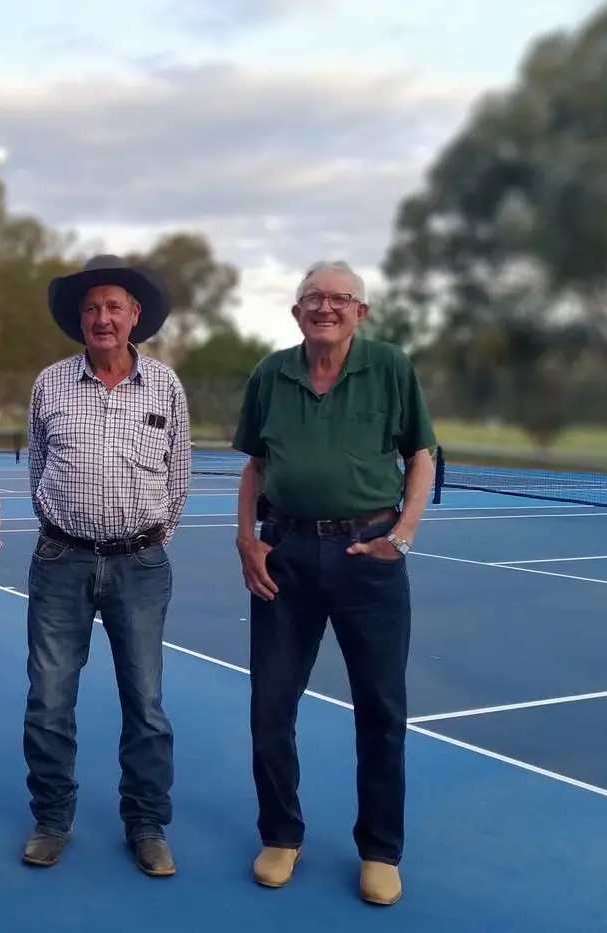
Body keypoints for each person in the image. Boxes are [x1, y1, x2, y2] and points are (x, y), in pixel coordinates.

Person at [231, 260, 437, 906]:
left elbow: (421, 455)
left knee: (381, 709)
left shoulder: (391, 367)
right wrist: (247, 539)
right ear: (296, 312)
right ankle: (281, 835)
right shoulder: (271, 373)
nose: (326, 307)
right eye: (313, 298)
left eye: (340, 298)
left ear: (361, 312)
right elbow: (256, 465)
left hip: (368, 557)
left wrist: (402, 534)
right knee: (270, 705)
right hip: (286, 555)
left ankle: (380, 850)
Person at [20, 254, 192, 877]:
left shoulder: (166, 387)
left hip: (140, 566)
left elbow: (178, 477)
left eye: (114, 307)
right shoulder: (50, 384)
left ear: (135, 316)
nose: (102, 318)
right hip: (61, 561)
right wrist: (67, 532)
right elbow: (39, 471)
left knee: (145, 704)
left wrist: (145, 540)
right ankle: (51, 819)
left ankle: (146, 825)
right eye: (92, 308)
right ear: (80, 319)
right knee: (48, 701)